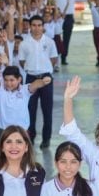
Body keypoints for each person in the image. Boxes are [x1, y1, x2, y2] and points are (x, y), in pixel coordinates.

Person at [17, 15, 58, 148]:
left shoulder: (50, 42)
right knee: (30, 109)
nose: (36, 28)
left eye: (39, 25)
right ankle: (31, 137)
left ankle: (46, 139)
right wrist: (33, 71)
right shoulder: (24, 43)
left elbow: (53, 58)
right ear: (29, 26)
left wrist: (45, 70)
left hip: (46, 78)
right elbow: (22, 61)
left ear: (43, 27)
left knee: (47, 109)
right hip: (31, 78)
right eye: (34, 25)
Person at [47, 0, 88, 65]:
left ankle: (64, 57)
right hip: (57, 17)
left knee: (67, 38)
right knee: (55, 36)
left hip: (68, 17)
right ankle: (54, 57)